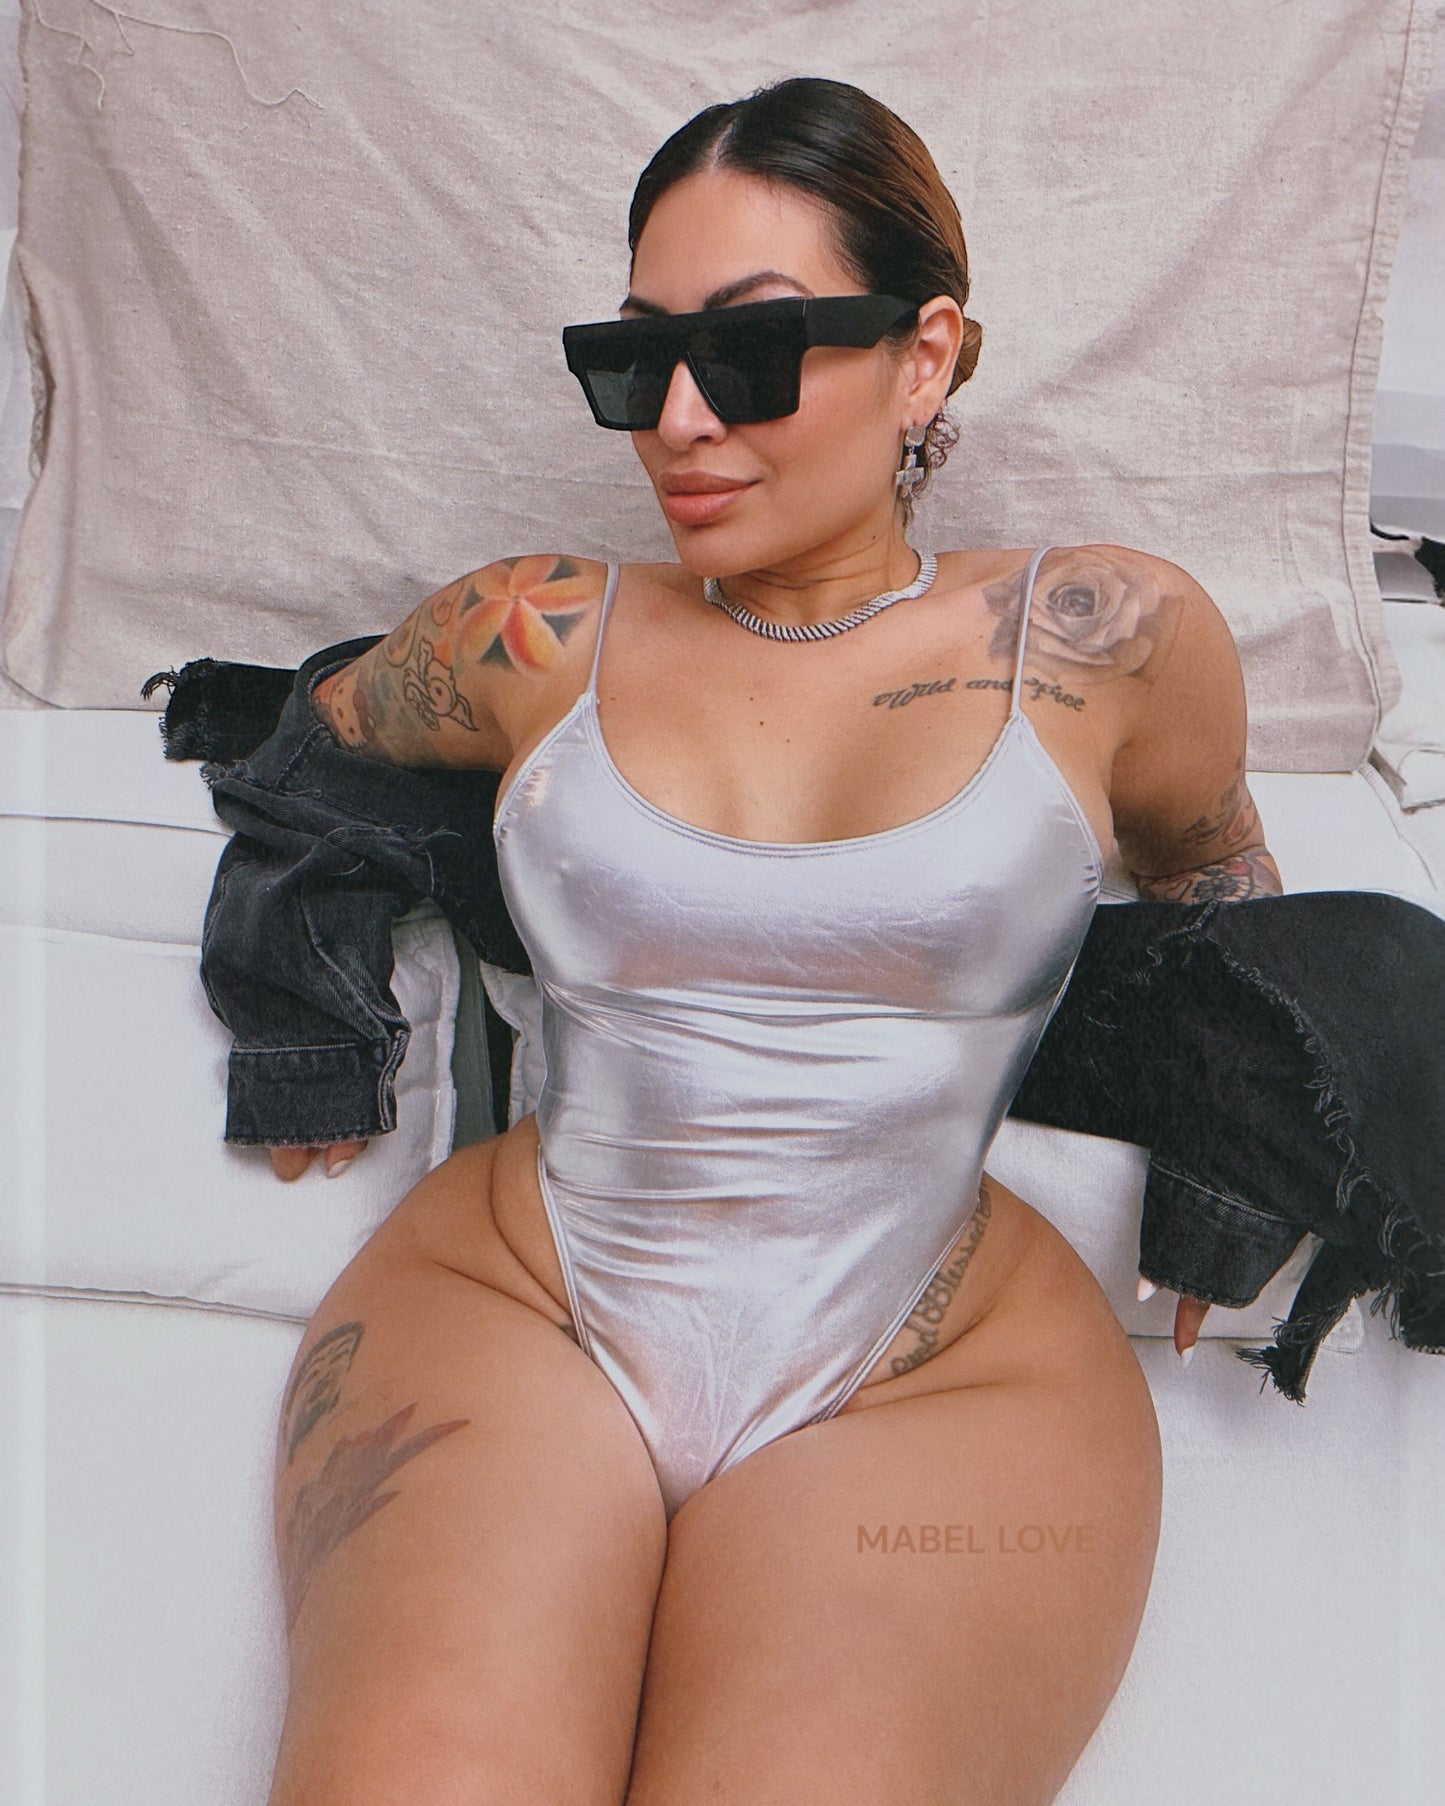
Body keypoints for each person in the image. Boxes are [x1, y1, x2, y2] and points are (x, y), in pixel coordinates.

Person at [259, 76, 1284, 1806]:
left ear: (924, 356)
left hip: (933, 1374)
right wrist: (304, 991)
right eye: (631, 358)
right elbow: (310, 743)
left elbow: (1216, 872)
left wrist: (1235, 1142)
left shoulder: (1105, 636)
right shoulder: (535, 630)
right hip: (519, 1304)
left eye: (745, 351)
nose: (676, 420)